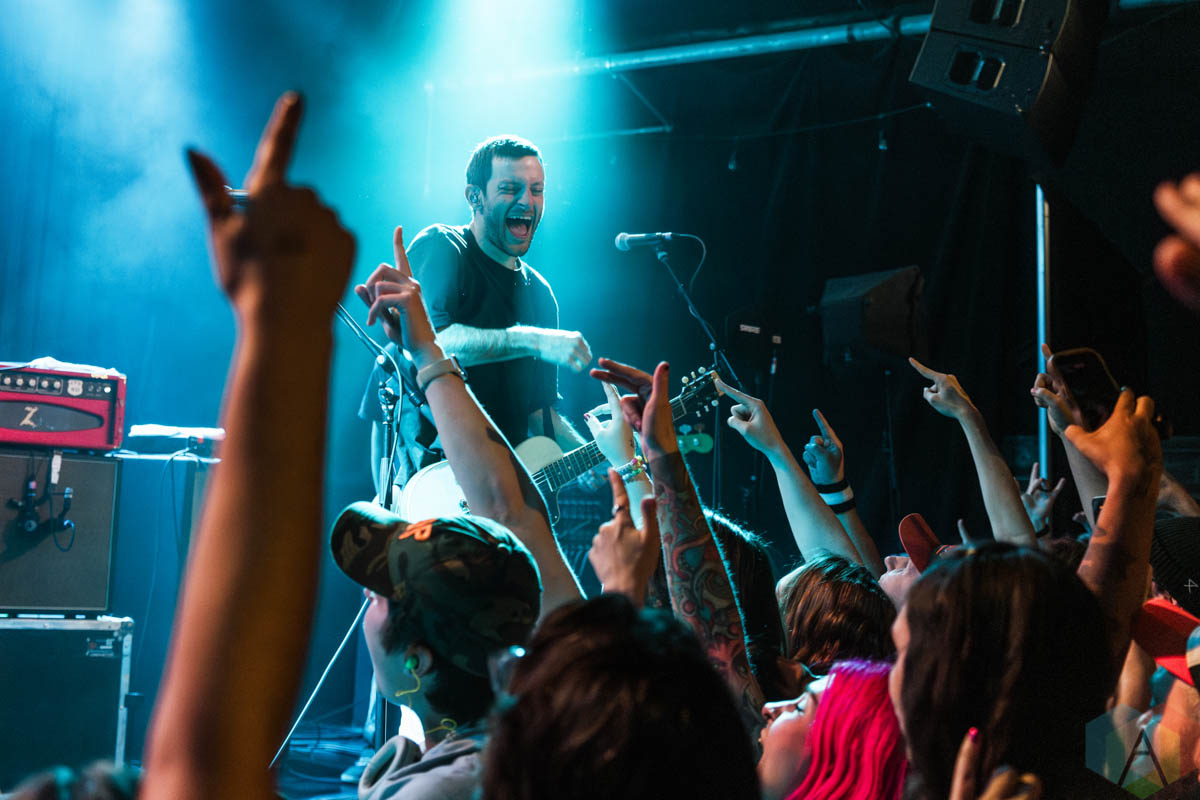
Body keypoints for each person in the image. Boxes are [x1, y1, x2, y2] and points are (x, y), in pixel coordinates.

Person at [361, 135, 592, 489]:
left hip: (500, 494)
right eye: (510, 188)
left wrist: (600, 455)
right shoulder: (442, 246)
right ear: (475, 197)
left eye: (536, 190)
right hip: (430, 483)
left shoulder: (541, 296)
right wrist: (534, 340)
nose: (526, 201)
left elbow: (538, 413)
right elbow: (434, 344)